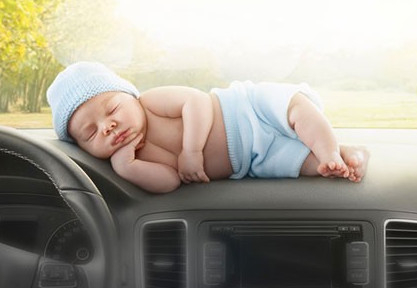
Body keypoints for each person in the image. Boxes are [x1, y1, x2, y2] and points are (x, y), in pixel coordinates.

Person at [47, 62, 368, 194]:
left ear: (129, 95)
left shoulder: (151, 102)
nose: (107, 127)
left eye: (112, 109)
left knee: (297, 110)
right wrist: (129, 167)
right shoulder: (126, 160)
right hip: (254, 161)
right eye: (91, 133)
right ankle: (341, 157)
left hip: (250, 110)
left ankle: (328, 147)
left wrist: (191, 150)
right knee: (306, 165)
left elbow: (197, 102)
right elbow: (171, 181)